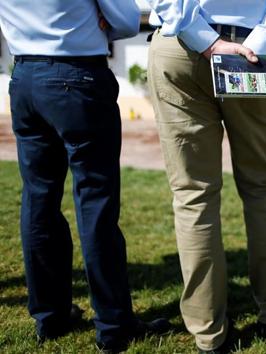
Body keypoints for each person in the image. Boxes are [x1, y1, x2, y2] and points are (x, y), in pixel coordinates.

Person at [145, 0, 266, 352]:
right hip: (253, 48)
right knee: (262, 188)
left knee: (194, 195)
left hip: (179, 45)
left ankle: (208, 332)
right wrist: (261, 42)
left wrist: (206, 40)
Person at [0, 1, 169, 352]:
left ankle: (50, 316)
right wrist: (99, 19)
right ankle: (113, 323)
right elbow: (125, 21)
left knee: (38, 200)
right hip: (78, 76)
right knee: (96, 202)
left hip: (25, 76)